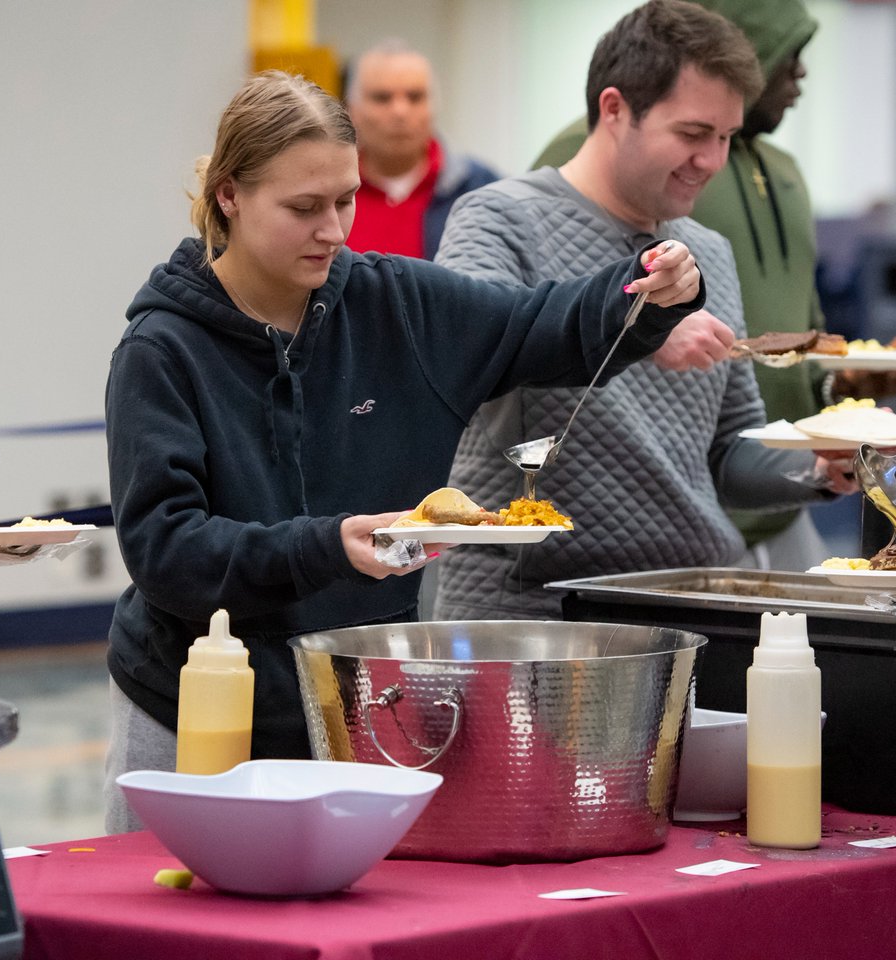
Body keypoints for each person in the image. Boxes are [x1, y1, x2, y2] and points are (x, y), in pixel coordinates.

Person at [101, 70, 704, 832]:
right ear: (229, 195)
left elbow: (540, 324)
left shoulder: (401, 306)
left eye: (345, 200)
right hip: (187, 710)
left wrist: (647, 285)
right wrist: (327, 547)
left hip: (354, 713)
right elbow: (168, 553)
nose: (334, 230)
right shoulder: (160, 352)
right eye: (303, 208)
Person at [432, 0, 855, 622]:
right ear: (614, 110)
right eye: (691, 134)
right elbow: (468, 351)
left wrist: (816, 465)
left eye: (725, 138)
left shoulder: (707, 250)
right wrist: (642, 330)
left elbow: (727, 453)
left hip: (687, 598)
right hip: (532, 603)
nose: (711, 161)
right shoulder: (499, 216)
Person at [534, 0, 896, 571]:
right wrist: (644, 333)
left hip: (764, 492)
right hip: (630, 528)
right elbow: (527, 329)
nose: (800, 73)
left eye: (724, 137)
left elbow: (796, 342)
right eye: (791, 52)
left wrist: (838, 398)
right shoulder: (573, 166)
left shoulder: (777, 179)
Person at [343, 40, 498, 259]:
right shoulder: (328, 193)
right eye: (382, 98)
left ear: (433, 107)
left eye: (415, 97)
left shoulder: (482, 189)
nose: (400, 111)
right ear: (352, 109)